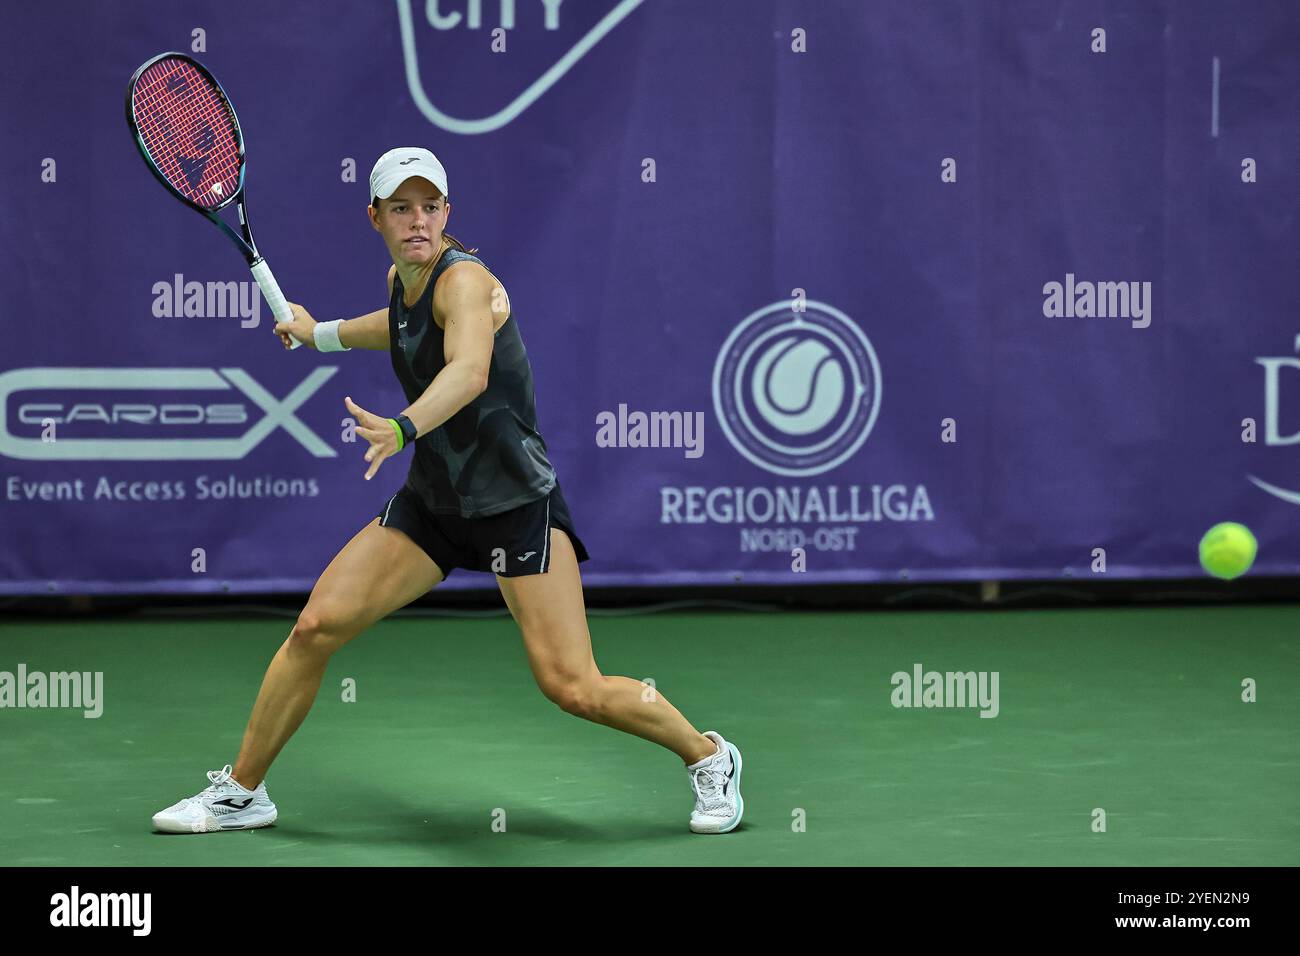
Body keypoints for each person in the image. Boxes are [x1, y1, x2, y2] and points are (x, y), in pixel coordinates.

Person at [151, 148, 743, 836]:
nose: (418, 221)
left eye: (430, 207)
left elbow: (466, 370)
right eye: (401, 208)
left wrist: (402, 429)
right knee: (316, 628)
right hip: (437, 503)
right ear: (375, 217)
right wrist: (321, 335)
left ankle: (708, 755)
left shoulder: (465, 281)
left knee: (572, 686)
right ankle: (243, 791)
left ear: (447, 215)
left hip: (516, 504)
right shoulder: (406, 282)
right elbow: (401, 330)